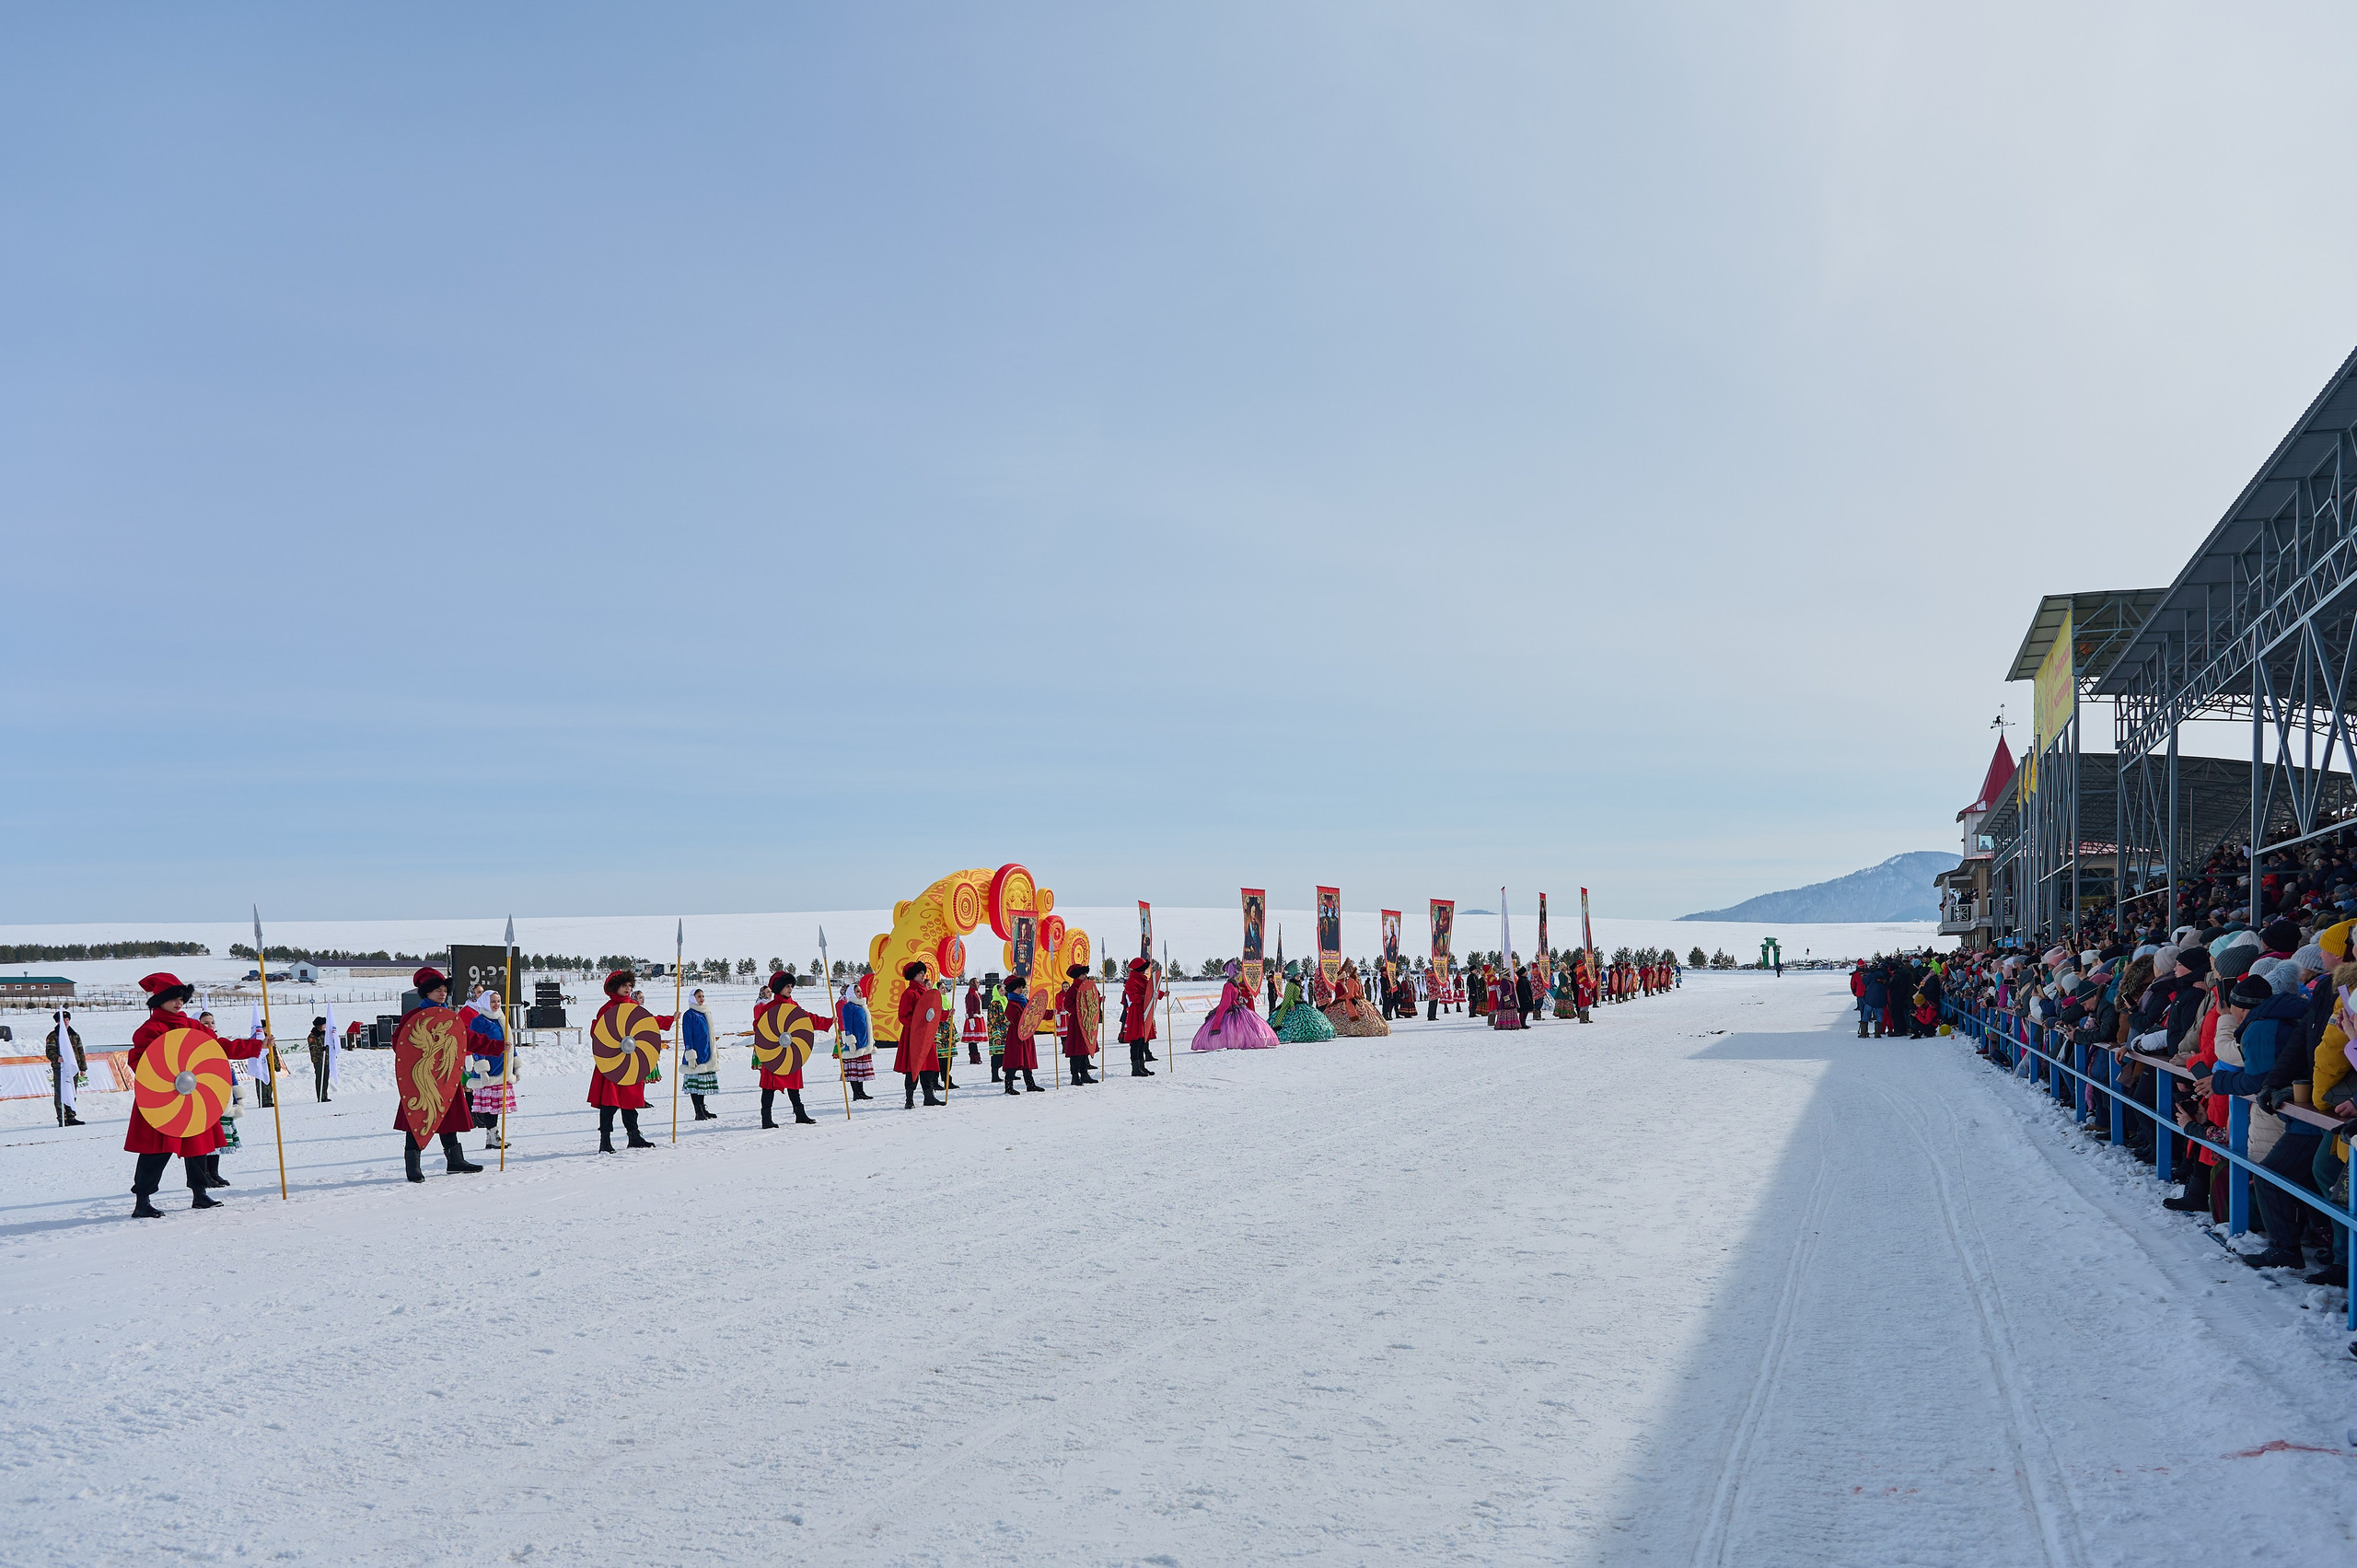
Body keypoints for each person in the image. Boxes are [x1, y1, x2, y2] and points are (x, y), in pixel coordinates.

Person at [124, 972, 265, 1215]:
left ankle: (200, 1193)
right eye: (173, 998)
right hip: (162, 1099)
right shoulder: (150, 1029)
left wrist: (256, 1046)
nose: (179, 1003)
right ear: (159, 1000)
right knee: (155, 1151)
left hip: (194, 1095)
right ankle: (142, 1202)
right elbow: (140, 1063)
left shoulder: (192, 1025)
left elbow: (218, 1047)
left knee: (198, 1145)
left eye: (182, 998)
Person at [398, 968, 486, 1180]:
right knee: (417, 1117)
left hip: (446, 1077)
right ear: (426, 992)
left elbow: (468, 1040)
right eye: (437, 990)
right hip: (422, 1079)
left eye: (445, 990)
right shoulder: (413, 1018)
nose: (442, 993)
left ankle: (454, 1161)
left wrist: (498, 1046)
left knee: (447, 1119)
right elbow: (400, 1046)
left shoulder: (450, 1017)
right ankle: (413, 1165)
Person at [588, 968, 665, 1154]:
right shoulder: (606, 1009)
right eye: (624, 985)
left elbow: (648, 1022)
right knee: (610, 1103)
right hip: (612, 1062)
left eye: (630, 985)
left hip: (630, 1062)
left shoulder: (633, 1006)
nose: (628, 989)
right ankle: (605, 1140)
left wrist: (670, 1019)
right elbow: (597, 1034)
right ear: (615, 987)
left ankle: (634, 1135)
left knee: (630, 1101)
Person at [753, 971, 831, 1126]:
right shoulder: (769, 1007)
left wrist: (828, 1021)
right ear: (779, 987)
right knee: (769, 1086)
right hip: (774, 1052)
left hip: (790, 1051)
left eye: (791, 986)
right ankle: (766, 1119)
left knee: (793, 1085)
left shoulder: (793, 1006)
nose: (790, 989)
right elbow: (758, 1027)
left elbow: (808, 1019)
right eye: (787, 986)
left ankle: (800, 1114)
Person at [464, 985, 515, 1149]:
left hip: (501, 1067)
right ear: (485, 1002)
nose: (496, 1004)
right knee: (489, 1106)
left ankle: (490, 1137)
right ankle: (494, 1135)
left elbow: (510, 1042)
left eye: (498, 1001)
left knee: (496, 1106)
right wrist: (482, 1068)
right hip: (489, 1069)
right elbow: (476, 1045)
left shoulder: (501, 1018)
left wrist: (515, 1062)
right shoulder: (478, 1021)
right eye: (493, 1001)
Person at [1191, 960, 1281, 1051]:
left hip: (1239, 1007)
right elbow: (1225, 1001)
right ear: (1233, 976)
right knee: (1233, 1028)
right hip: (1232, 1009)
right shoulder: (1228, 985)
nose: (1239, 978)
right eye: (1237, 976)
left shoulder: (1235, 985)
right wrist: (1228, 1009)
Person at [891, 961, 945, 1107]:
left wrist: (944, 1014)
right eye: (920, 973)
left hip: (926, 1036)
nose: (923, 975)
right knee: (913, 1067)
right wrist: (918, 1025)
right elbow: (903, 1016)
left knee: (927, 1068)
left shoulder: (926, 993)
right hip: (913, 1036)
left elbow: (932, 1013)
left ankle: (929, 1096)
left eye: (923, 972)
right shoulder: (909, 994)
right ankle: (909, 1099)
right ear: (913, 975)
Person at [1324, 958, 1390, 1037]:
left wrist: (1339, 1000)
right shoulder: (1356, 979)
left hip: (1352, 1000)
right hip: (1359, 999)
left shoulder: (1350, 980)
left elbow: (1350, 995)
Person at [1002, 974, 1045, 1093]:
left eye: (1021, 987)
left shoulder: (1024, 1001)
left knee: (1026, 1060)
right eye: (1019, 987)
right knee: (1014, 1060)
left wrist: (1049, 1012)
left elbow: (1036, 1011)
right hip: (1016, 1036)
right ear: (1012, 988)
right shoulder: (1011, 1005)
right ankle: (1009, 1087)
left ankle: (1030, 1084)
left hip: (1026, 1035)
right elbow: (1018, 1020)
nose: (1021, 989)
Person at [679, 986, 718, 1121]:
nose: (702, 999)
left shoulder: (705, 1012)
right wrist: (690, 1053)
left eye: (702, 996)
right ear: (693, 998)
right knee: (695, 1083)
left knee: (701, 1083)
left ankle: (703, 1108)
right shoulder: (689, 1014)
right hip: (696, 1054)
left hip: (706, 1053)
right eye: (699, 997)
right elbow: (687, 1035)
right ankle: (698, 1111)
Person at [1061, 962, 1104, 1084]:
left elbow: (1091, 1001)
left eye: (1085, 973)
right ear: (1077, 976)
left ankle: (1084, 1074)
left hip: (1087, 1023)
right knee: (1077, 1051)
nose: (1085, 976)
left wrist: (1099, 1000)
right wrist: (1080, 1012)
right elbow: (1068, 1005)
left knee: (1085, 1049)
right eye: (1083, 974)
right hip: (1077, 1023)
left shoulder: (1088, 987)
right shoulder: (1073, 990)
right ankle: (1075, 1076)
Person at [1272, 962, 1337, 1042]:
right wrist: (1292, 1005)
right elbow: (1289, 998)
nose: (1299, 977)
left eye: (1299, 975)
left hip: (1300, 1003)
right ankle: (1277, 1026)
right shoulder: (1290, 985)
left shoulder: (1296, 984)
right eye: (1297, 975)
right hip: (1293, 1005)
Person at [1118, 957, 1161, 1075]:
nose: (1144, 971)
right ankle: (1135, 1068)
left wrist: (1160, 994)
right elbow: (1134, 997)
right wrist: (1146, 997)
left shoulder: (1143, 980)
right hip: (1136, 1012)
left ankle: (1141, 1066)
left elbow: (1151, 989)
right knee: (1136, 1041)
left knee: (1142, 1040)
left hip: (1144, 1011)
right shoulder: (1132, 981)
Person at [833, 982, 875, 1100]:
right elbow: (847, 1025)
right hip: (855, 1043)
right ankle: (856, 1093)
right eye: (857, 992)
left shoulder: (862, 1006)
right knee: (854, 1068)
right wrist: (850, 1041)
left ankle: (861, 1091)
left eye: (861, 991)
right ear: (851, 993)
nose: (860, 993)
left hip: (863, 1041)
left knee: (860, 1069)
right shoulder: (848, 1007)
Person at [46, 1008, 86, 1127]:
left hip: (72, 1068)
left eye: (67, 1019)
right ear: (57, 1022)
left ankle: (71, 1116)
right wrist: (57, 1058)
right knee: (60, 1093)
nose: (66, 1022)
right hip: (60, 1068)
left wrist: (82, 1068)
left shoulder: (74, 1035)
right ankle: (61, 1117)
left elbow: (80, 1051)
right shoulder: (53, 1036)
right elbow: (49, 1051)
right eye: (63, 1020)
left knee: (71, 1091)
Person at [306, 1015, 331, 1102]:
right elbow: (313, 1049)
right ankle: (320, 1096)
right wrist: (322, 1049)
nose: (325, 1026)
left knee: (326, 1078)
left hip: (326, 1060)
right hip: (318, 1060)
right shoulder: (312, 1036)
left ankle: (325, 1095)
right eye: (324, 1024)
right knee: (320, 1078)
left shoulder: (325, 1035)